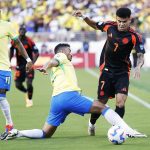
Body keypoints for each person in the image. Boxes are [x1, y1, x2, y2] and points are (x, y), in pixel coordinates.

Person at [3, 43, 146, 140]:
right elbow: (53, 61)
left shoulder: (62, 64)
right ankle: (128, 130)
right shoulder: (61, 56)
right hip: (69, 96)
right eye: (69, 51)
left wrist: (46, 66)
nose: (71, 53)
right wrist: (46, 66)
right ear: (63, 51)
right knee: (103, 107)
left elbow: (52, 63)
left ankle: (17, 132)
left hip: (56, 101)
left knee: (45, 133)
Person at [73, 7, 145, 136]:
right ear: (116, 19)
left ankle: (117, 130)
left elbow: (140, 55)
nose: (121, 24)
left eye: (124, 21)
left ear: (130, 20)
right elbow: (95, 25)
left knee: (120, 102)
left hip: (122, 71)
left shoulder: (135, 36)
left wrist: (138, 66)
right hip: (107, 70)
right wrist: (84, 17)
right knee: (101, 102)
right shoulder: (109, 26)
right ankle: (92, 123)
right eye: (119, 21)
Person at [0, 10, 33, 140]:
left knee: (1, 96)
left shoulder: (7, 25)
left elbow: (18, 43)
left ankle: (9, 126)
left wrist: (29, 60)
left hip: (2, 67)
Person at [10, 25, 39, 107]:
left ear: (26, 32)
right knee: (18, 85)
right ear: (18, 31)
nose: (22, 31)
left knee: (29, 83)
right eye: (20, 30)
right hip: (19, 66)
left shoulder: (29, 41)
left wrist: (32, 63)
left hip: (28, 65)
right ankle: (27, 91)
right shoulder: (14, 40)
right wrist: (9, 61)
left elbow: (37, 52)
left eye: (23, 30)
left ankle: (29, 100)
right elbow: (11, 50)